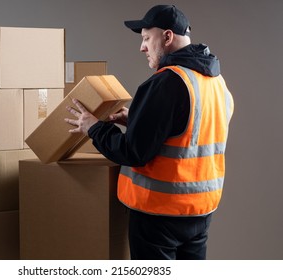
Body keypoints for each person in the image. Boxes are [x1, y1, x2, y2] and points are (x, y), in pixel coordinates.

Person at [65, 4, 234, 260]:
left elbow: (133, 153)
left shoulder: (166, 82)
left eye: (146, 38)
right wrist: (135, 119)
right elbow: (192, 130)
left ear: (167, 37)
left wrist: (94, 128)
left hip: (159, 215)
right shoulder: (215, 82)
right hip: (199, 212)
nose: (142, 47)